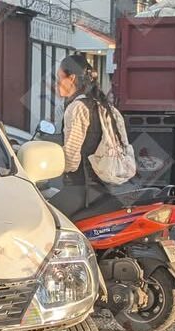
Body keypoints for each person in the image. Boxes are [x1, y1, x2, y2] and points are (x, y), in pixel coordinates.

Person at [48, 54, 122, 219]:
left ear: (71, 78)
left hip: (81, 191)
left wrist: (49, 163)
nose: (57, 83)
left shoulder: (77, 108)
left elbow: (71, 161)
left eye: (59, 77)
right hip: (103, 191)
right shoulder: (105, 107)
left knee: (43, 218)